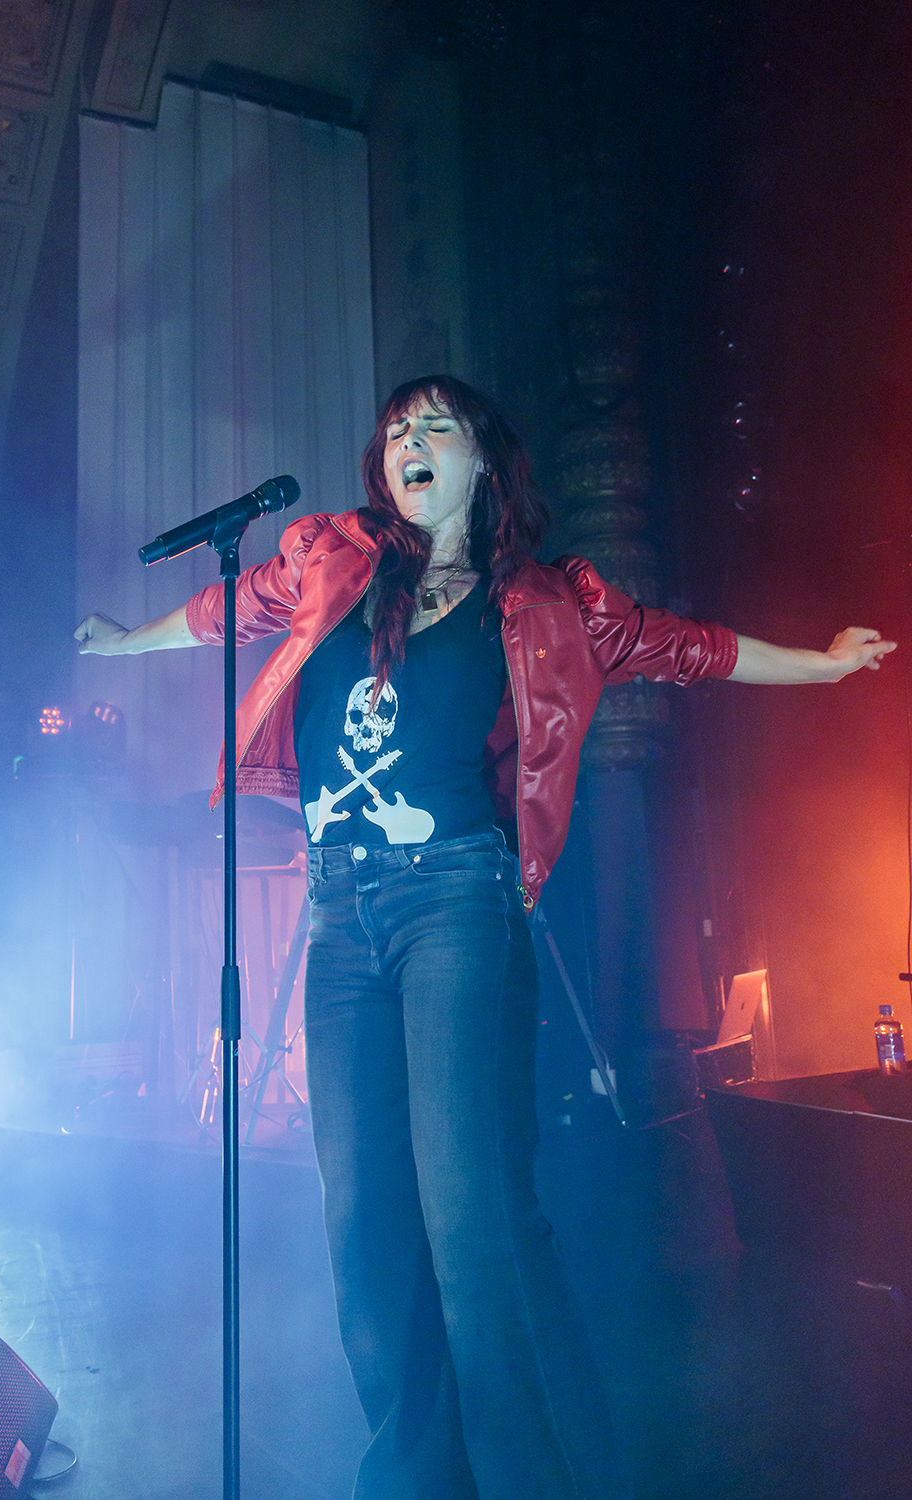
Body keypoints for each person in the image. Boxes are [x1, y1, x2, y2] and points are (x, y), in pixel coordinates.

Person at [76, 375, 895, 1500]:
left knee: (472, 1216)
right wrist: (123, 644)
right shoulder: (333, 560)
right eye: (395, 430)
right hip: (338, 911)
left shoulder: (546, 600)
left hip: (456, 902)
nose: (408, 441)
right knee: (364, 1218)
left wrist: (821, 659)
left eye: (435, 426)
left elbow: (684, 647)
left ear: (480, 460)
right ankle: (411, 1478)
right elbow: (232, 609)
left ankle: (538, 1479)